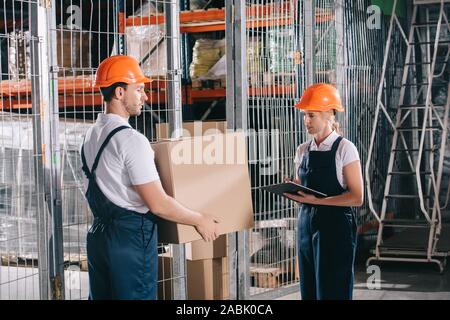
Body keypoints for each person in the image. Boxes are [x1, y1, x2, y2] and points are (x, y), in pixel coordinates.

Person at [80, 55, 218, 300]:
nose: (145, 97)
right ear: (120, 92)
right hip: (129, 242)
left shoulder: (92, 135)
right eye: (140, 89)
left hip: (98, 238)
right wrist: (199, 219)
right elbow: (158, 203)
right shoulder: (131, 141)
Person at [284, 83, 363, 300]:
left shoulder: (345, 149)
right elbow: (304, 192)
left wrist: (316, 201)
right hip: (306, 228)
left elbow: (357, 197)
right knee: (309, 291)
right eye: (304, 115)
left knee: (333, 291)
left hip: (335, 229)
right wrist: (293, 190)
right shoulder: (302, 150)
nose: (306, 121)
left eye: (312, 115)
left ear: (329, 115)